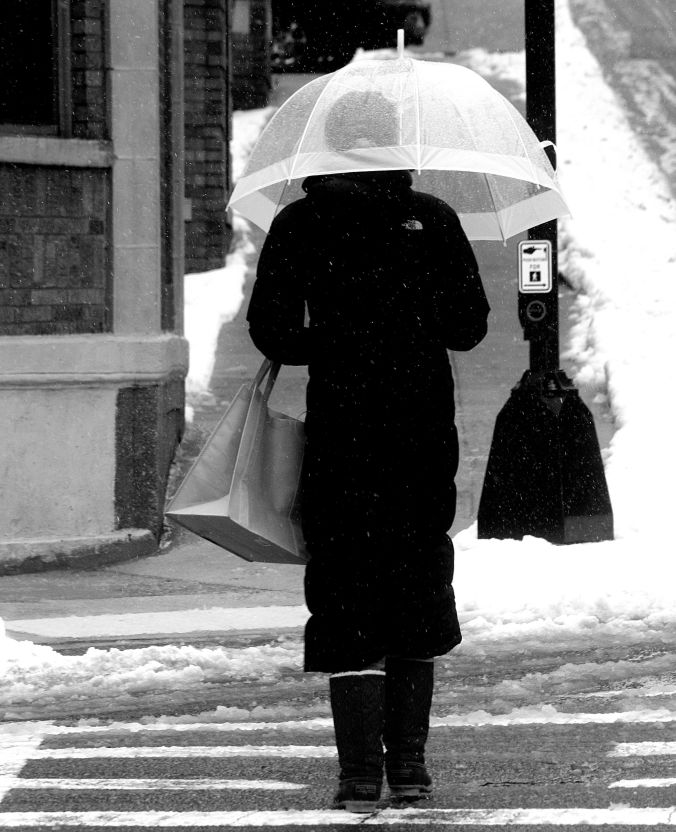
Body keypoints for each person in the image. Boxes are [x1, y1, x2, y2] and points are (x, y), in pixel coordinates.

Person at [246, 90, 490, 813]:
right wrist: (408, 321)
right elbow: (469, 327)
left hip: (343, 433)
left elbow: (272, 331)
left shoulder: (302, 221)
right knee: (415, 585)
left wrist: (338, 339)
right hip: (418, 432)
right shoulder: (433, 220)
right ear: (394, 145)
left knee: (347, 592)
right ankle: (409, 767)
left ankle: (358, 776)